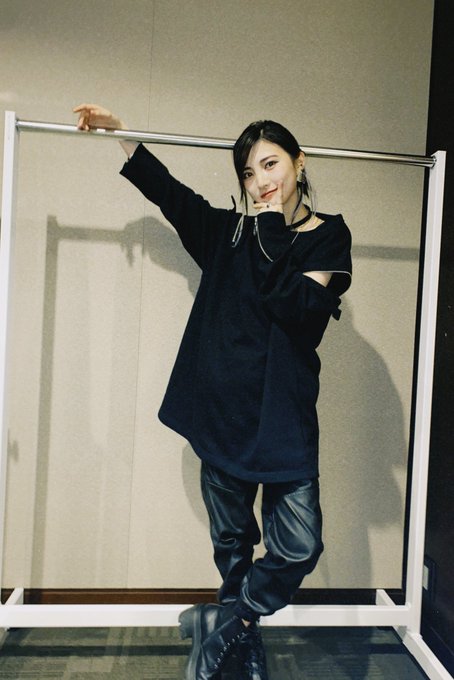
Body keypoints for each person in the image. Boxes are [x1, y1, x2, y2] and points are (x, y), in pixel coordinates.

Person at [73, 104, 352, 680]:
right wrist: (121, 136)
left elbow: (299, 310)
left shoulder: (328, 236)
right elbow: (170, 195)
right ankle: (238, 643)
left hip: (283, 420)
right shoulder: (227, 234)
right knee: (233, 544)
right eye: (249, 172)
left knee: (300, 546)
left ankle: (226, 622)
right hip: (222, 416)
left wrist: (269, 224)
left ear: (299, 163)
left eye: (271, 164)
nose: (261, 181)